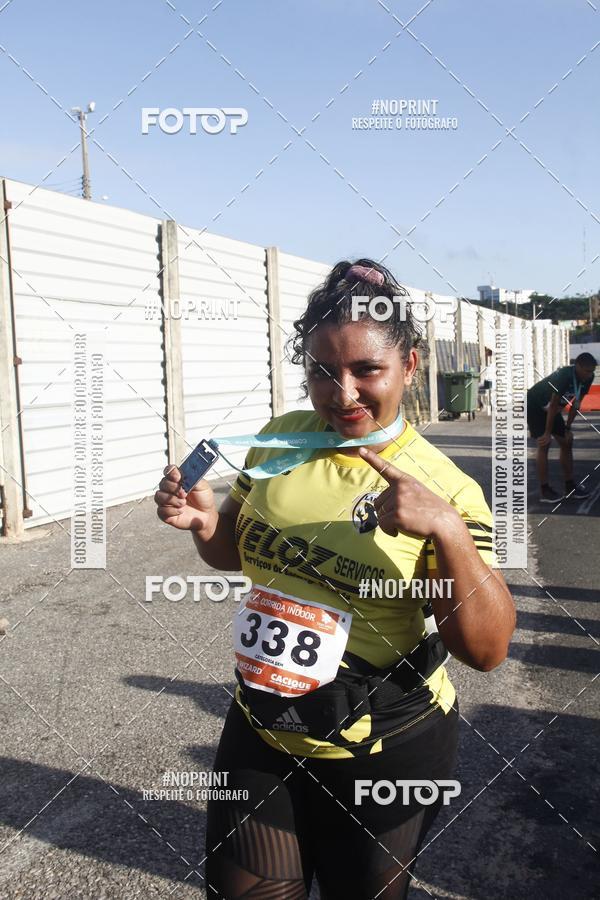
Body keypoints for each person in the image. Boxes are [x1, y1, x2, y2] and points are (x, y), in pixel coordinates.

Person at [154, 259, 516, 899]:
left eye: (366, 370)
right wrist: (205, 524)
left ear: (409, 365)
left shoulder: (447, 488)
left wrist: (448, 533)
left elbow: (485, 652)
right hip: (263, 723)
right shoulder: (279, 440)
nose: (341, 393)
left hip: (384, 750)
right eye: (322, 370)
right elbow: (236, 552)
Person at [526, 352, 596, 503]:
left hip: (552, 408)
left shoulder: (589, 378)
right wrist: (546, 433)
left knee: (566, 441)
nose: (589, 374)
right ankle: (545, 490)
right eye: (586, 371)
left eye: (592, 371)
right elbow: (553, 404)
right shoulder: (564, 376)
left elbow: (576, 404)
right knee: (545, 443)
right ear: (577, 366)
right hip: (535, 404)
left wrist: (568, 428)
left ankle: (570, 486)